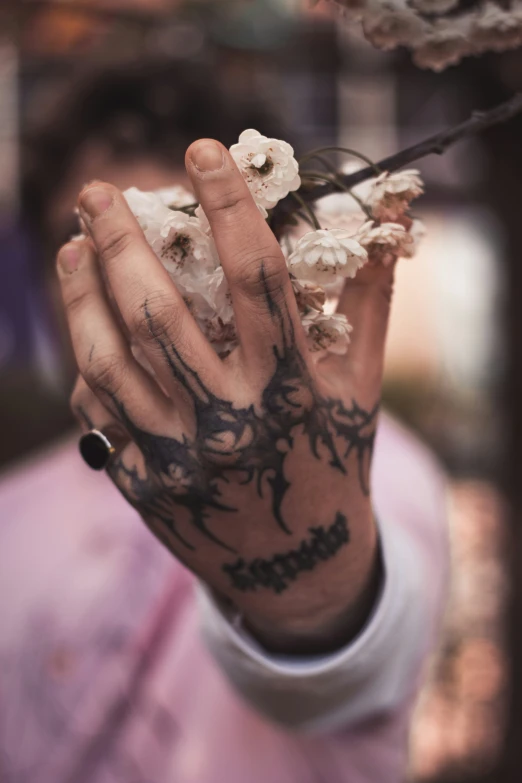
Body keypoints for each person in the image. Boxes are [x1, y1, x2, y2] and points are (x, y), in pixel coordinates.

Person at [0, 60, 449, 783]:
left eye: (177, 231)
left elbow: (365, 661)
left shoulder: (364, 465)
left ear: (257, 248)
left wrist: (315, 603)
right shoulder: (10, 512)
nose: (134, 277)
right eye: (86, 237)